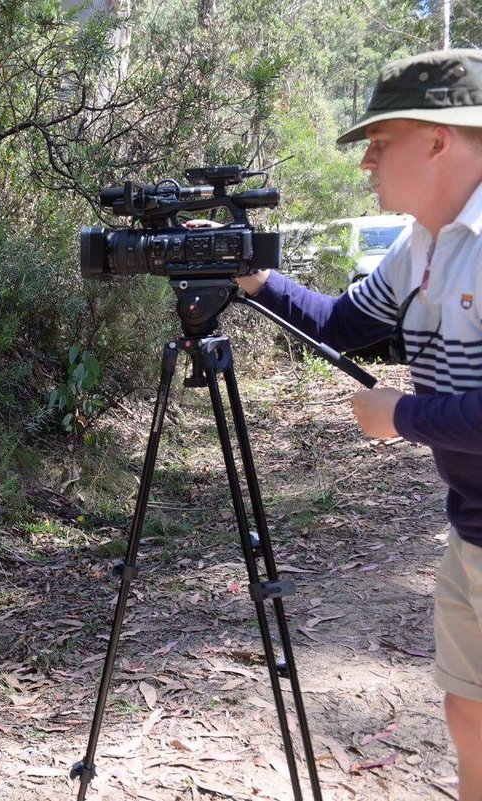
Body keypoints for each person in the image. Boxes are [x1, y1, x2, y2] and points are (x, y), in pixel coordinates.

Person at [235, 49, 482, 801]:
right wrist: (252, 275)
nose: (368, 162)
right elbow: (343, 325)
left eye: (381, 141)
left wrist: (400, 415)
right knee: (468, 708)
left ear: (439, 139)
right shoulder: (421, 247)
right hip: (470, 527)